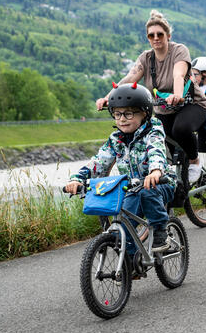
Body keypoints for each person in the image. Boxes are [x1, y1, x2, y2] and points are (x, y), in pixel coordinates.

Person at [66, 84, 176, 273]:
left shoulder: (154, 130)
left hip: (160, 182)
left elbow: (156, 149)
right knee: (123, 224)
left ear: (144, 114)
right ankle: (132, 263)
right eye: (117, 114)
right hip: (133, 187)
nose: (122, 119)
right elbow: (98, 163)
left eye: (128, 114)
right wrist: (76, 179)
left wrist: (156, 171)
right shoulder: (115, 139)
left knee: (148, 193)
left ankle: (160, 231)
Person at [96, 10, 206, 183]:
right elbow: (129, 79)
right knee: (154, 141)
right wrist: (107, 98)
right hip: (163, 109)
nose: (156, 38)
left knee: (181, 129)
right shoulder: (146, 58)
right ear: (148, 38)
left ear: (168, 35)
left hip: (190, 105)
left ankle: (194, 161)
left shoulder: (179, 51)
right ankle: (168, 187)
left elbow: (178, 75)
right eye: (151, 35)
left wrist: (177, 95)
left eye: (160, 34)